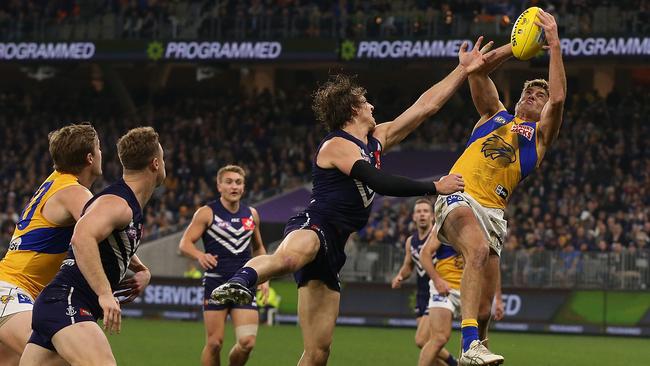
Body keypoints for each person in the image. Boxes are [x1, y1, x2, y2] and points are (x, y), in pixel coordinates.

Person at [213, 36, 496, 365]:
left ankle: (243, 283)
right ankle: (240, 282)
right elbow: (377, 180)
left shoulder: (377, 138)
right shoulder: (337, 145)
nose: (373, 107)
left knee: (318, 353)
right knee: (288, 259)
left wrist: (462, 70)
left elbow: (425, 107)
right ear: (352, 110)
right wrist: (434, 185)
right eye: (367, 103)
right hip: (314, 224)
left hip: (335, 248)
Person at [432, 10, 565, 365]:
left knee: (486, 308)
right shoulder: (495, 115)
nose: (535, 95)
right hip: (458, 194)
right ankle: (469, 343)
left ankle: (476, 349)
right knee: (475, 251)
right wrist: (516, 47)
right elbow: (478, 70)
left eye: (541, 94)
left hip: (493, 214)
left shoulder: (538, 139)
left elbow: (559, 100)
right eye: (530, 91)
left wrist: (553, 46)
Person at [19, 127, 166, 365]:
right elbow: (81, 237)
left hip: (57, 305)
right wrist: (105, 294)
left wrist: (142, 270)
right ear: (156, 164)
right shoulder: (118, 203)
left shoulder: (125, 204)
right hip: (67, 302)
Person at [0, 123, 102, 365]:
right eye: (99, 148)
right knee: (57, 354)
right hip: (12, 290)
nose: (101, 153)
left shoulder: (56, 180)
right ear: (90, 157)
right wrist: (139, 268)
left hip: (21, 292)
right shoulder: (73, 192)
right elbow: (102, 231)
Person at [179, 165, 268, 366]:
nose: (234, 186)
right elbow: (184, 243)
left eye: (238, 182)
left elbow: (259, 248)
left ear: (244, 187)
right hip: (215, 283)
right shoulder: (206, 213)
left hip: (244, 284)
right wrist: (199, 255)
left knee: (247, 342)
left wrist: (265, 277)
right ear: (219, 186)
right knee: (214, 343)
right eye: (228, 182)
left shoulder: (251, 214)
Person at [391, 199, 458, 366]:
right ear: (413, 216)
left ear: (432, 216)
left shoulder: (439, 236)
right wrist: (400, 276)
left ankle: (454, 363)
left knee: (423, 341)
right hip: (421, 296)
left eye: (425, 211)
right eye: (419, 211)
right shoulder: (410, 241)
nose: (422, 214)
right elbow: (408, 266)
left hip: (437, 292)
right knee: (428, 346)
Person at [417, 235, 464, 366]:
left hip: (469, 291)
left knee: (474, 343)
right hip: (445, 290)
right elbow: (424, 254)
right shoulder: (444, 223)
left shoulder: (482, 224)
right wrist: (437, 281)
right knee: (439, 338)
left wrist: (497, 297)